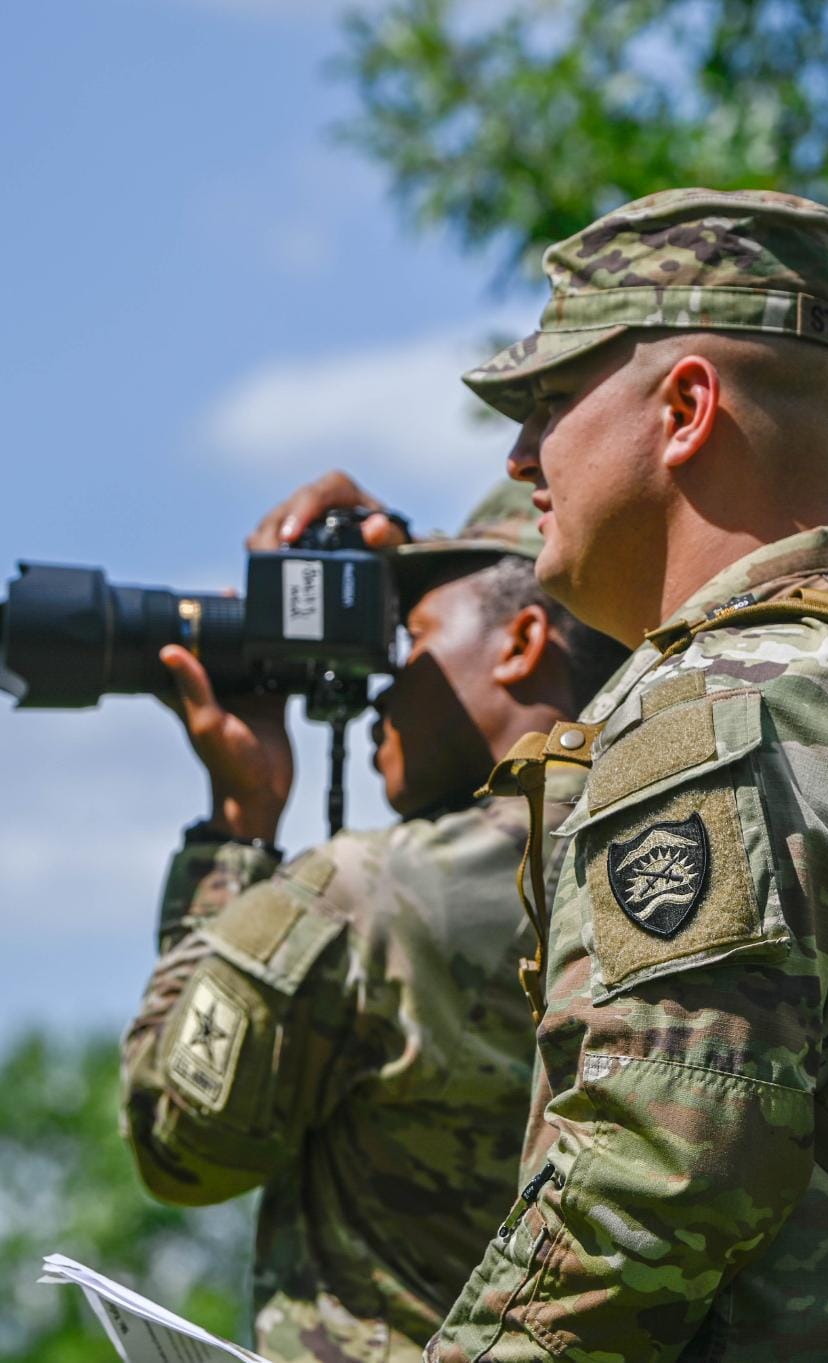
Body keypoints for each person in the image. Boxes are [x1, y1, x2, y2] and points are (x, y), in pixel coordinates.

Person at [275, 191, 828, 1362]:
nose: (520, 459)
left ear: (683, 408)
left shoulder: (721, 706)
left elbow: (655, 1172)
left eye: (553, 405)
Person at [118, 479, 630, 1363]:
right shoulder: (675, 858)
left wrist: (236, 831)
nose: (383, 688)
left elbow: (177, 1139)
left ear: (521, 642)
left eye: (416, 640)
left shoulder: (367, 893)